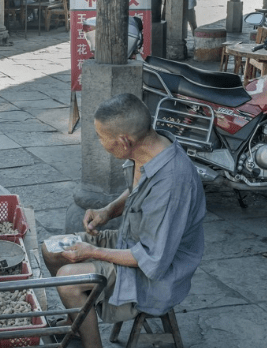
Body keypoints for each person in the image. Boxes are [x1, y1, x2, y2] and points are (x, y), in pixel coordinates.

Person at [41, 93, 206, 348]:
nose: (100, 142)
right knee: (52, 250)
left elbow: (152, 259)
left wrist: (93, 252)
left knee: (69, 280)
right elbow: (137, 190)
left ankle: (91, 343)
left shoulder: (173, 183)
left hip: (157, 277)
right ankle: (78, 322)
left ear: (123, 141)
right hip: (130, 240)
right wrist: (108, 211)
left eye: (101, 137)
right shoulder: (152, 146)